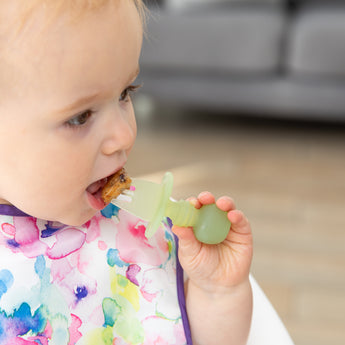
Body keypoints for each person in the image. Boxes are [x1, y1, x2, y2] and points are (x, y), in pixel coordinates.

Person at [0, 1, 253, 344]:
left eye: (125, 93)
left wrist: (216, 293)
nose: (124, 135)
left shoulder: (137, 225)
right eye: (80, 117)